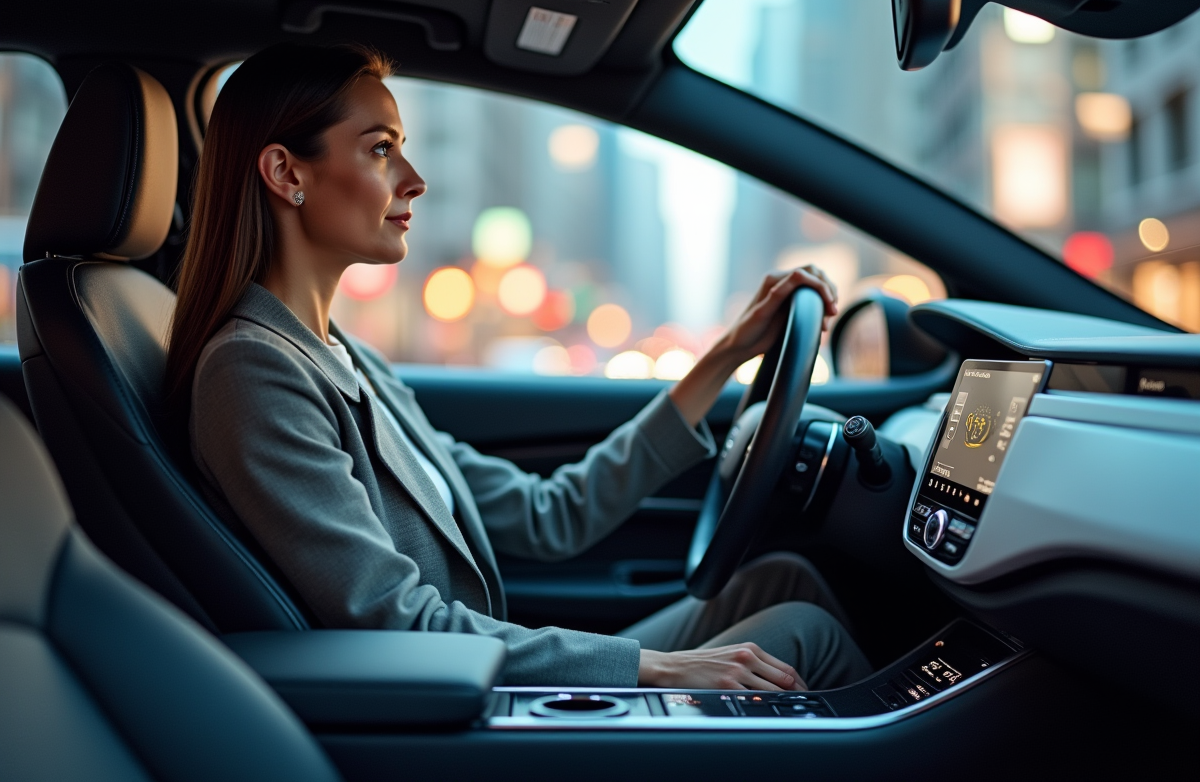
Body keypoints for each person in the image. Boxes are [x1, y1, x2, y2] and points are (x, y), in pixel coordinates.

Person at [166, 43, 871, 692]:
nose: (414, 181)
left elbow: (548, 517)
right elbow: (393, 621)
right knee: (801, 633)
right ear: (287, 172)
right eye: (382, 151)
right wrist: (655, 669)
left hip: (480, 676)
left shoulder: (349, 358)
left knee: (784, 584)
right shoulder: (253, 373)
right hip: (452, 706)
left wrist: (727, 354)